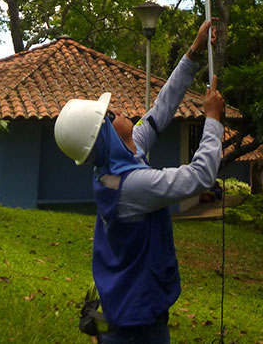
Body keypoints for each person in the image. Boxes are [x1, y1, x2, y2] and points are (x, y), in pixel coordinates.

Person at [53, 20, 224, 344]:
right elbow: (200, 176)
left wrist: (194, 51)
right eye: (108, 115)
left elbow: (161, 110)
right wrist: (213, 121)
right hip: (136, 329)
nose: (116, 110)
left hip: (129, 312)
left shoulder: (123, 157)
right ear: (104, 136)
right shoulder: (132, 185)